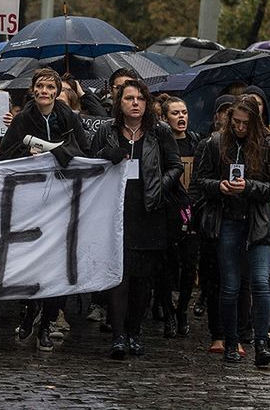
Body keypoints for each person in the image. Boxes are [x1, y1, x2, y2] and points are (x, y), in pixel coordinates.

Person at [0, 68, 89, 352]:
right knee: (28, 263)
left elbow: (83, 151)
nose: (45, 92)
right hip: (31, 200)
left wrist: (57, 152)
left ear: (57, 90)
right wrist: (28, 155)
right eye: (40, 87)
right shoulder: (23, 119)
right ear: (33, 90)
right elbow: (5, 154)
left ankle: (47, 322)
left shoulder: (68, 117)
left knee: (56, 266)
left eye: (50, 87)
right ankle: (28, 310)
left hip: (61, 199)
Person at [90, 80, 183, 360]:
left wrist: (158, 186)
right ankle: (118, 335)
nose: (135, 103)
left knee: (142, 280)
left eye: (140, 99)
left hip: (148, 212)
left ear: (146, 103)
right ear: (119, 103)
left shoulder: (159, 132)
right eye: (129, 98)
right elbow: (91, 163)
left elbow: (175, 166)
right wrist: (106, 156)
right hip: (115, 212)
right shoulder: (107, 131)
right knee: (120, 276)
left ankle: (134, 331)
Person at [191, 95, 270, 367]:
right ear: (230, 120)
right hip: (228, 218)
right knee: (229, 286)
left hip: (258, 222)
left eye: (245, 123)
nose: (240, 128)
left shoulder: (269, 146)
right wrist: (220, 186)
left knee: (259, 282)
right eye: (236, 122)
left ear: (254, 123)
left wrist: (249, 187)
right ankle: (231, 341)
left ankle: (262, 342)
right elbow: (200, 180)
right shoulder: (216, 143)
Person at [155, 96, 202, 338]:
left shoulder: (196, 142)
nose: (181, 117)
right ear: (164, 118)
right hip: (167, 210)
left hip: (191, 211)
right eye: (175, 113)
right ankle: (168, 312)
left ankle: (182, 309)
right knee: (165, 264)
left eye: (184, 112)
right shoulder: (160, 143)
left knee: (189, 264)